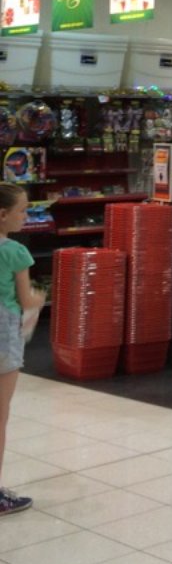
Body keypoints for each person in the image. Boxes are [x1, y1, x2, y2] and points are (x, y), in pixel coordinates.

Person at [0, 182, 45, 515]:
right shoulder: (15, 252)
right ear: (3, 215)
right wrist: (41, 299)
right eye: (23, 210)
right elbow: (26, 299)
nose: (26, 216)